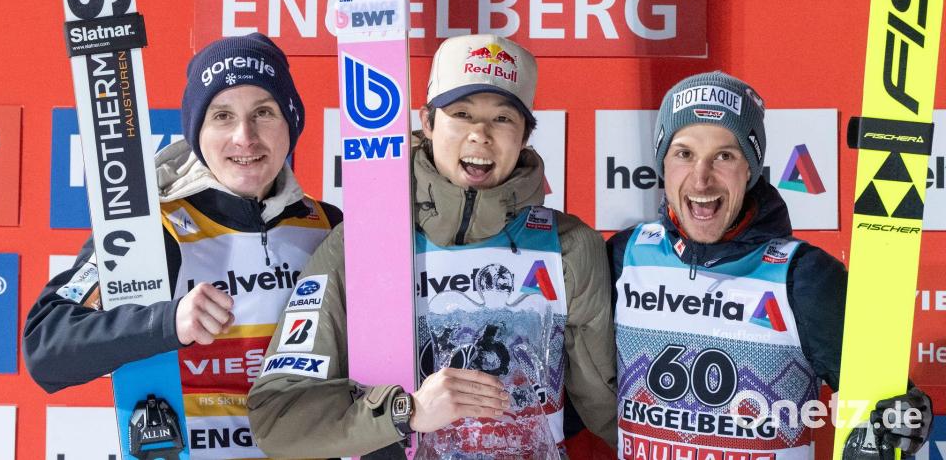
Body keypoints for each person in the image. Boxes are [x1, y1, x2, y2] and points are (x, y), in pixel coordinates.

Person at [248, 34, 618, 458]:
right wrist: (405, 411)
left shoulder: (568, 247)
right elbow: (278, 417)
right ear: (427, 122)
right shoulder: (362, 243)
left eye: (502, 118)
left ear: (524, 135)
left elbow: (611, 411)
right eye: (461, 114)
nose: (480, 135)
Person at [23, 33, 341, 459]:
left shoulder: (329, 226)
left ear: (291, 122)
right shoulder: (152, 229)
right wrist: (168, 323)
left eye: (263, 113)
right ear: (197, 131)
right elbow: (47, 348)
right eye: (222, 116)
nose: (244, 138)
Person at [607, 71, 933, 460]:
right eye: (684, 153)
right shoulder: (625, 257)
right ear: (662, 163)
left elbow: (885, 408)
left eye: (724, 156)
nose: (701, 178)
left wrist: (904, 417)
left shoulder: (804, 277)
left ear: (750, 167)